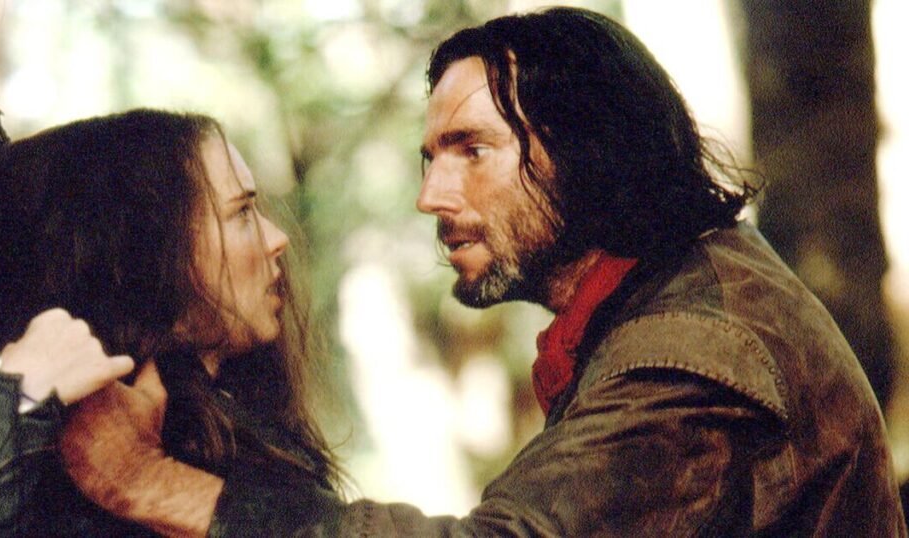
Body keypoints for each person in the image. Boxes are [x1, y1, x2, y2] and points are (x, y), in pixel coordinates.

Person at [61, 7, 904, 536]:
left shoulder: (692, 351)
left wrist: (150, 483)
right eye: (431, 156)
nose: (431, 196)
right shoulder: (679, 287)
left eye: (472, 150)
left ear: (588, 153)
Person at [0, 109, 341, 536]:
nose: (277, 238)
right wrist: (14, 402)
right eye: (241, 212)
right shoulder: (68, 472)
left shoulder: (239, 433)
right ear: (150, 255)